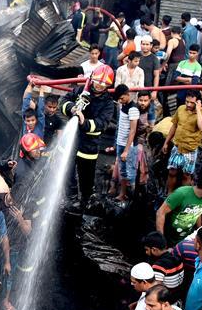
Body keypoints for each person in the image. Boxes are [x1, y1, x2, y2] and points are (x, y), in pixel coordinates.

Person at [60, 64, 115, 209]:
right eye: (97, 81)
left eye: (104, 84)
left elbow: (100, 124)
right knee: (67, 174)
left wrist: (83, 121)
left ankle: (85, 202)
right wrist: (72, 107)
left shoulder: (109, 104)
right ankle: (70, 200)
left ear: (108, 85)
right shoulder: (81, 91)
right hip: (71, 143)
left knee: (86, 179)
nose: (99, 85)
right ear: (92, 79)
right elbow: (63, 101)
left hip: (88, 147)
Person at [162, 91, 202, 194]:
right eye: (186, 101)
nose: (188, 104)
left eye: (191, 102)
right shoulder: (180, 109)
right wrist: (166, 142)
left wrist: (198, 110)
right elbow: (174, 126)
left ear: (198, 102)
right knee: (171, 172)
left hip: (190, 150)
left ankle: (182, 197)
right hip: (177, 146)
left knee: (186, 175)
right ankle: (169, 195)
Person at [155, 171, 202, 245]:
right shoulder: (181, 194)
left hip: (186, 240)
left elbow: (198, 213)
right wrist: (160, 241)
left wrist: (199, 231)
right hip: (169, 240)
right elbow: (160, 213)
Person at [114, 84, 141, 201]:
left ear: (127, 94)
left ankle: (133, 199)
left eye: (122, 98)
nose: (120, 101)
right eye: (119, 99)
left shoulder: (133, 108)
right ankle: (122, 195)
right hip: (120, 143)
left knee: (130, 173)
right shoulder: (123, 106)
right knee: (123, 171)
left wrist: (126, 150)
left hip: (128, 146)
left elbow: (133, 130)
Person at [143, 232, 185, 296]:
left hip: (167, 298)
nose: (146, 252)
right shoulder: (176, 257)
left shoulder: (158, 266)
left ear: (154, 249)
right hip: (178, 294)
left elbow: (156, 289)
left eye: (147, 250)